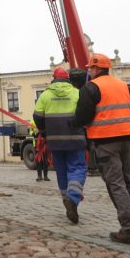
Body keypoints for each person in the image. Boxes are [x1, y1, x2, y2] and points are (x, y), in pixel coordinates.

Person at [75, 54, 130, 244]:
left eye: (90, 68)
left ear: (96, 69)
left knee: (116, 183)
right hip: (128, 137)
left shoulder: (91, 88)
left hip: (106, 140)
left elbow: (82, 117)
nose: (89, 71)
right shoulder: (123, 86)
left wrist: (73, 123)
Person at [33, 67, 87, 224]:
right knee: (77, 168)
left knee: (61, 171)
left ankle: (66, 200)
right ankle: (73, 198)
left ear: (53, 78)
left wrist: (44, 131)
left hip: (54, 141)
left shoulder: (45, 95)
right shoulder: (76, 92)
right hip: (75, 139)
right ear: (68, 78)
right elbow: (84, 114)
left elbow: (37, 116)